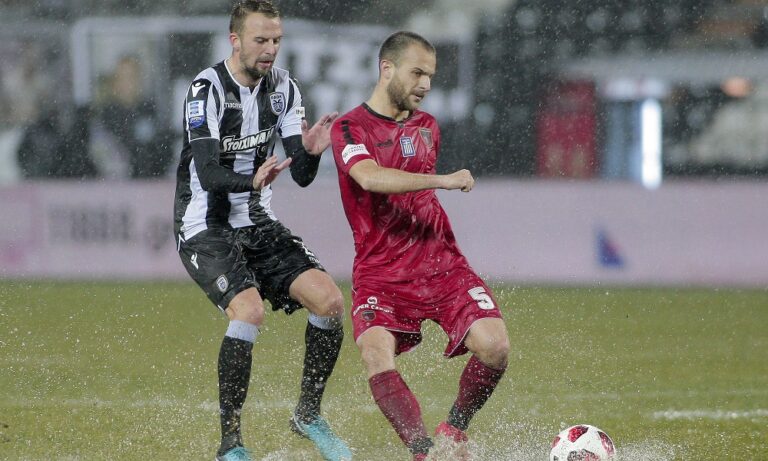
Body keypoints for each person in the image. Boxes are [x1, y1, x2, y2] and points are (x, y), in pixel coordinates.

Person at [173, 2, 351, 460]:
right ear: (235, 40)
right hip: (205, 226)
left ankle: (308, 415)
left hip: (257, 223)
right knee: (248, 312)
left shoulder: (284, 88)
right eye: (260, 40)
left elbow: (302, 175)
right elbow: (208, 172)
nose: (270, 49)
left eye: (276, 40)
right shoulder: (206, 89)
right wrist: (250, 181)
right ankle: (230, 444)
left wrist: (312, 152)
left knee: (331, 302)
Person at [330, 31, 510, 460]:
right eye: (417, 73)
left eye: (430, 75)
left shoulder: (427, 127)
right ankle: (423, 451)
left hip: (440, 263)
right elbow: (369, 177)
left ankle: (455, 427)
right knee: (375, 353)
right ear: (386, 68)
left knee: (496, 347)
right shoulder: (349, 128)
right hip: (381, 272)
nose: (426, 84)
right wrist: (442, 180)